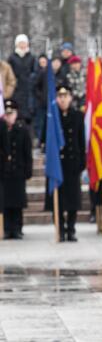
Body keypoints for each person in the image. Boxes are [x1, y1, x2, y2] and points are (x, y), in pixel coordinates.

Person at [45, 84, 85, 242]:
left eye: (65, 96)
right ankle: (60, 228)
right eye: (60, 97)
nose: (62, 100)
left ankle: (71, 229)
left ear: (70, 98)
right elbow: (45, 141)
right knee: (58, 199)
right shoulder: (52, 116)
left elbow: (81, 141)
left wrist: (82, 161)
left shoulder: (77, 116)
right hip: (57, 164)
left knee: (73, 199)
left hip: (72, 163)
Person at [2, 100, 31, 240]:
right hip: (5, 173)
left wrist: (28, 170)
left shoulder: (22, 130)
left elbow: (27, 153)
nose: (9, 117)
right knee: (6, 202)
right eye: (7, 114)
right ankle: (7, 229)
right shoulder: (2, 130)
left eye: (11, 113)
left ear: (16, 114)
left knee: (18, 203)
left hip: (18, 171)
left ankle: (18, 228)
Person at [8, 34, 35, 124]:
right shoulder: (12, 58)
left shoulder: (31, 58)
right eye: (20, 43)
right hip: (16, 89)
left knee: (28, 117)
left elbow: (34, 72)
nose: (22, 45)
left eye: (24, 43)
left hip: (28, 90)